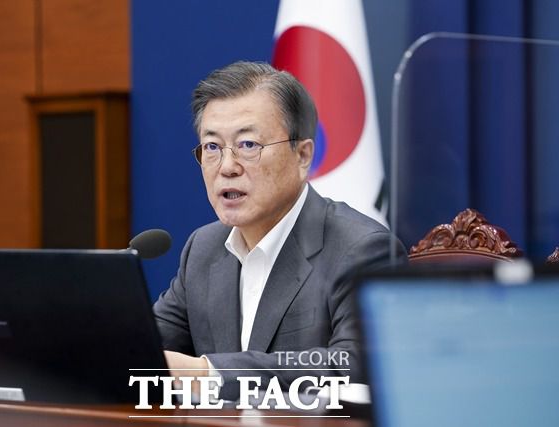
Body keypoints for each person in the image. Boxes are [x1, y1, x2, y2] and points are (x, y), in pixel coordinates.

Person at [153, 61, 406, 399]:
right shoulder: (204, 247)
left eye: (248, 145)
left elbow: (354, 366)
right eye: (212, 147)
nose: (227, 167)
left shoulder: (361, 250)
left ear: (302, 156)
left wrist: (209, 373)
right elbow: (144, 347)